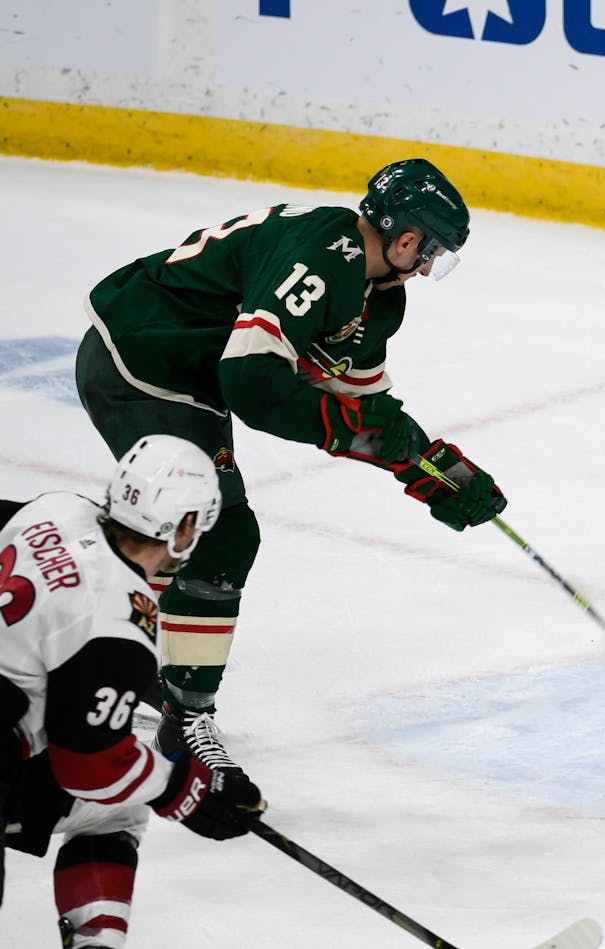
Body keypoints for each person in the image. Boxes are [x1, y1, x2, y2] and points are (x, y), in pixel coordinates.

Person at [74, 158, 507, 778]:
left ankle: (101, 646)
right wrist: (360, 436)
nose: (431, 265)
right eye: (434, 251)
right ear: (407, 238)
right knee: (215, 531)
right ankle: (179, 711)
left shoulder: (378, 295)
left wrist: (429, 467)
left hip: (190, 377)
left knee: (192, 531)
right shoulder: (322, 258)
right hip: (143, 360)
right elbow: (251, 383)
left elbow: (363, 409)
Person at [1, 435, 265, 947]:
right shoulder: (121, 619)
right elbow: (90, 764)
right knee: (116, 804)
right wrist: (184, 790)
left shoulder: (55, 510)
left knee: (114, 806)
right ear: (186, 527)